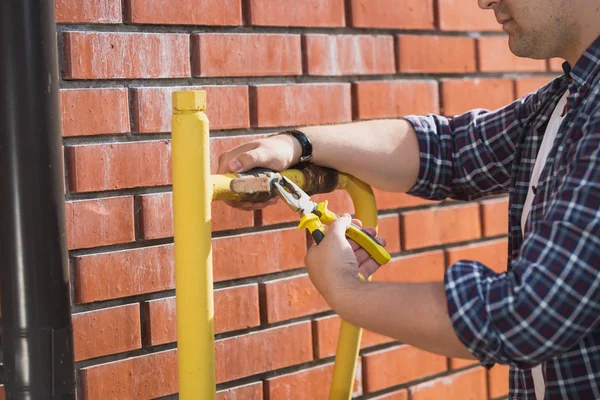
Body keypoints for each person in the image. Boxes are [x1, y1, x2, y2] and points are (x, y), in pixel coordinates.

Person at [217, 1, 600, 398]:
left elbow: (530, 315)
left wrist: (347, 291)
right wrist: (295, 145)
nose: (485, 1)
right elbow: (450, 150)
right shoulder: (567, 102)